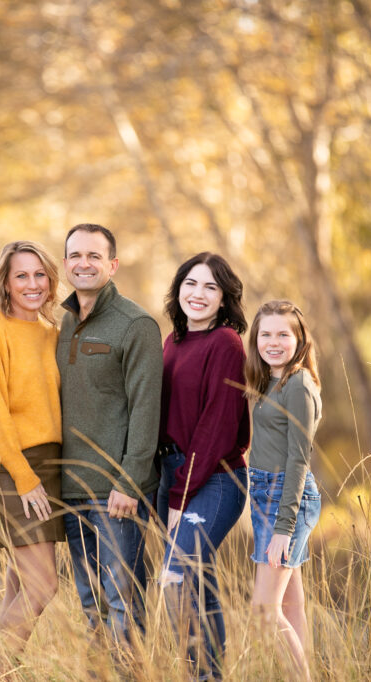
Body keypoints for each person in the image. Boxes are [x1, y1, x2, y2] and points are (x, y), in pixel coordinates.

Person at [56, 223, 163, 650]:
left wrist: (129, 482)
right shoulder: (62, 324)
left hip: (116, 494)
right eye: (76, 256)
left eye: (94, 256)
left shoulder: (136, 325)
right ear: (65, 264)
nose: (84, 264)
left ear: (112, 264)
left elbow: (146, 409)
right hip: (71, 489)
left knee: (125, 605)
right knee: (92, 606)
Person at [0, 241, 64, 661]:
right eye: (21, 275)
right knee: (44, 585)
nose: (32, 284)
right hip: (9, 469)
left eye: (39, 274)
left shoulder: (53, 334)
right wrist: (23, 477)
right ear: (5, 282)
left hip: (52, 466)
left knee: (21, 584)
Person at [157, 253, 249, 680]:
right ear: (178, 288)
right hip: (172, 472)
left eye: (211, 287)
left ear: (224, 298)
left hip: (214, 477)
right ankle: (208, 675)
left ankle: (203, 674)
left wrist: (181, 493)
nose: (198, 294)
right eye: (191, 283)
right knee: (199, 582)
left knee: (178, 576)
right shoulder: (172, 341)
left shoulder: (226, 343)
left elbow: (216, 425)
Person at [245, 300, 323, 680]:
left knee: (264, 611)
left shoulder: (299, 385)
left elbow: (298, 459)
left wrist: (283, 528)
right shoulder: (271, 379)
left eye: (283, 334)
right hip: (265, 493)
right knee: (291, 604)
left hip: (285, 499)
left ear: (299, 339)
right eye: (266, 334)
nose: (273, 342)